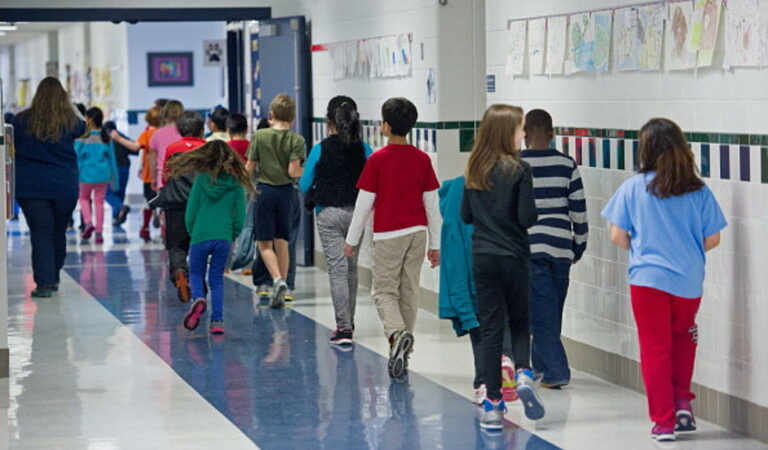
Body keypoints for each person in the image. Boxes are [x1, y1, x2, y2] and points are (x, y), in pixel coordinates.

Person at [602, 118, 727, 442]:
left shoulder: (634, 187)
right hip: (688, 282)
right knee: (684, 340)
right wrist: (683, 250)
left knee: (656, 349)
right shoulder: (698, 189)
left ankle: (664, 422)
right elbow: (713, 239)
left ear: (646, 149)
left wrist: (643, 249)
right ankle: (683, 402)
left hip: (648, 280)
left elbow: (617, 234)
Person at [344, 97, 441, 379]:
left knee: (384, 291)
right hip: (417, 233)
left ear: (386, 126)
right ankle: (403, 351)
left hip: (389, 235)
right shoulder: (422, 159)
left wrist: (351, 240)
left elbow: (363, 206)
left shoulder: (377, 160)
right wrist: (435, 245)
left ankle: (397, 334)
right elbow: (432, 207)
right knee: (409, 290)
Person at [461, 104, 542, 429]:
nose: (524, 134)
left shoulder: (474, 168)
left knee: (491, 327)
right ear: (508, 132)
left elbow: (466, 215)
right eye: (521, 128)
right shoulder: (519, 170)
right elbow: (526, 217)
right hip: (514, 256)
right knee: (520, 320)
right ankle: (523, 372)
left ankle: (493, 403)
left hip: (483, 256)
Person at [521, 109, 588, 389]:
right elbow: (579, 210)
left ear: (524, 134)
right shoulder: (567, 164)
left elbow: (510, 209)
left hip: (531, 247)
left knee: (541, 311)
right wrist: (579, 245)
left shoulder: (517, 164)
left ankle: (557, 372)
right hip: (562, 246)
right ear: (552, 133)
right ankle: (541, 365)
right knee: (551, 310)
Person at [299, 96, 373, 346]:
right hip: (356, 214)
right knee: (351, 268)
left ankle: (343, 328)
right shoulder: (364, 149)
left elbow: (304, 183)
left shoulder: (320, 149)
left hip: (328, 213)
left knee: (337, 270)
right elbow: (373, 181)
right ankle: (349, 321)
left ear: (329, 120)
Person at [12, 76, 85, 297]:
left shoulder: (22, 120)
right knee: (57, 230)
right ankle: (52, 274)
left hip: (31, 186)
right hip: (63, 185)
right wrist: (71, 106)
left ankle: (45, 283)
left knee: (40, 233)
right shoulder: (71, 122)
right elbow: (84, 126)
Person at [172, 140, 250, 335]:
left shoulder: (200, 180)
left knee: (197, 273)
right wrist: (232, 235)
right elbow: (240, 215)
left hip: (200, 235)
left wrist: (193, 232)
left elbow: (191, 211)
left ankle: (198, 298)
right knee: (216, 278)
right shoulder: (235, 183)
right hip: (223, 237)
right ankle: (217, 321)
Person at [246, 94, 306, 308]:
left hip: (265, 192)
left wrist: (248, 188)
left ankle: (276, 280)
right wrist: (303, 171)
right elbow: (293, 170)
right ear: (293, 117)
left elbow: (250, 167)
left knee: (264, 243)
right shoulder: (296, 140)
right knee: (283, 242)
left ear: (271, 114)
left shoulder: (260, 136)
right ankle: (286, 286)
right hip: (287, 194)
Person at [161, 111, 207, 302]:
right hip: (203, 206)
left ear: (179, 130)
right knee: (200, 245)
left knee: (177, 245)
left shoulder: (173, 148)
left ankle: (180, 272)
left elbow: (166, 176)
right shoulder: (207, 148)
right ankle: (198, 282)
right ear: (202, 130)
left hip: (176, 205)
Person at [110, 106, 161, 241]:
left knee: (148, 201)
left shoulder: (147, 134)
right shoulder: (164, 133)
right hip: (163, 174)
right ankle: (163, 227)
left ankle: (145, 228)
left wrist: (118, 138)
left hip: (149, 175)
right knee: (164, 202)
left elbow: (135, 147)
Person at [74, 107, 119, 245]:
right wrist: (115, 181)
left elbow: (75, 156)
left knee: (83, 199)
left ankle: (88, 223)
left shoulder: (82, 138)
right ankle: (99, 233)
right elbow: (112, 160)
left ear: (90, 119)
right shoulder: (106, 138)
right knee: (100, 202)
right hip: (103, 175)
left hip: (85, 175)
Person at [103, 120, 139, 226]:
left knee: (107, 193)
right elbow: (135, 150)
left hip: (111, 170)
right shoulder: (121, 137)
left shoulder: (104, 140)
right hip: (124, 169)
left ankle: (120, 208)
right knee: (120, 193)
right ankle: (117, 217)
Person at [150, 100, 184, 190]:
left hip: (162, 179)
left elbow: (153, 159)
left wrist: (153, 178)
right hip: (183, 179)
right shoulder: (185, 132)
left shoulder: (157, 134)